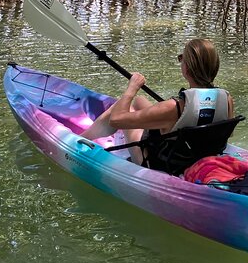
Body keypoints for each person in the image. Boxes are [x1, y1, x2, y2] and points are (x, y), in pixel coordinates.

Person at [81, 38, 234, 169]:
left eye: (182, 58)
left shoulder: (174, 107)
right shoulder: (226, 99)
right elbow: (228, 133)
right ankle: (87, 136)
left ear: (187, 68)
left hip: (161, 164)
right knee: (139, 101)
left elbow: (116, 120)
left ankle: (80, 140)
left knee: (125, 105)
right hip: (196, 155)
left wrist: (132, 88)